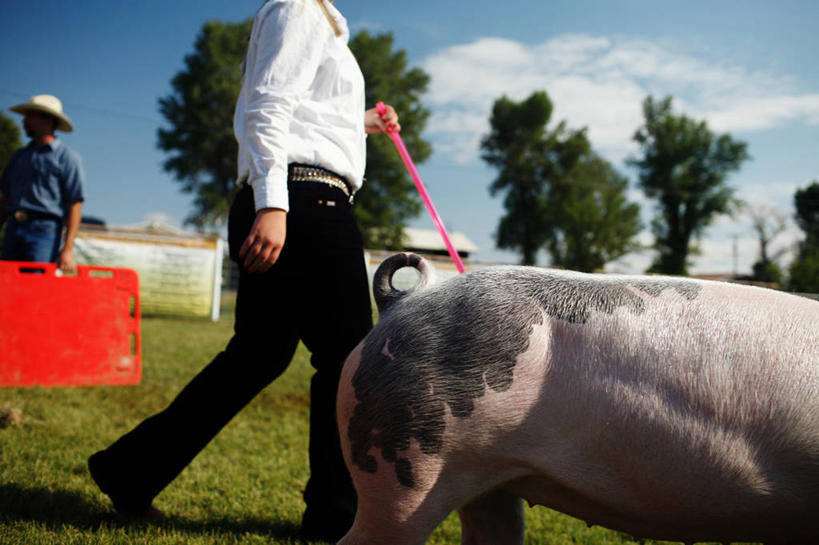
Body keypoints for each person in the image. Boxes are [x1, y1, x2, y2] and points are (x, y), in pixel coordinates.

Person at [87, 0, 400, 541]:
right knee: (348, 361)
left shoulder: (320, 19)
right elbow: (267, 103)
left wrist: (362, 123)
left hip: (295, 198)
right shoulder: (299, 7)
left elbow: (303, 113)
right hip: (304, 202)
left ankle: (131, 471)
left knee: (257, 356)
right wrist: (273, 204)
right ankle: (334, 518)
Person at [0, 94, 84, 271]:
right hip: (14, 227)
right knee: (7, 279)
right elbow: (5, 198)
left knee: (37, 281)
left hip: (45, 231)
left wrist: (68, 249)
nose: (24, 121)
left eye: (30, 116)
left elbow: (75, 204)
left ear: (48, 120)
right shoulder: (19, 157)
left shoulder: (66, 158)